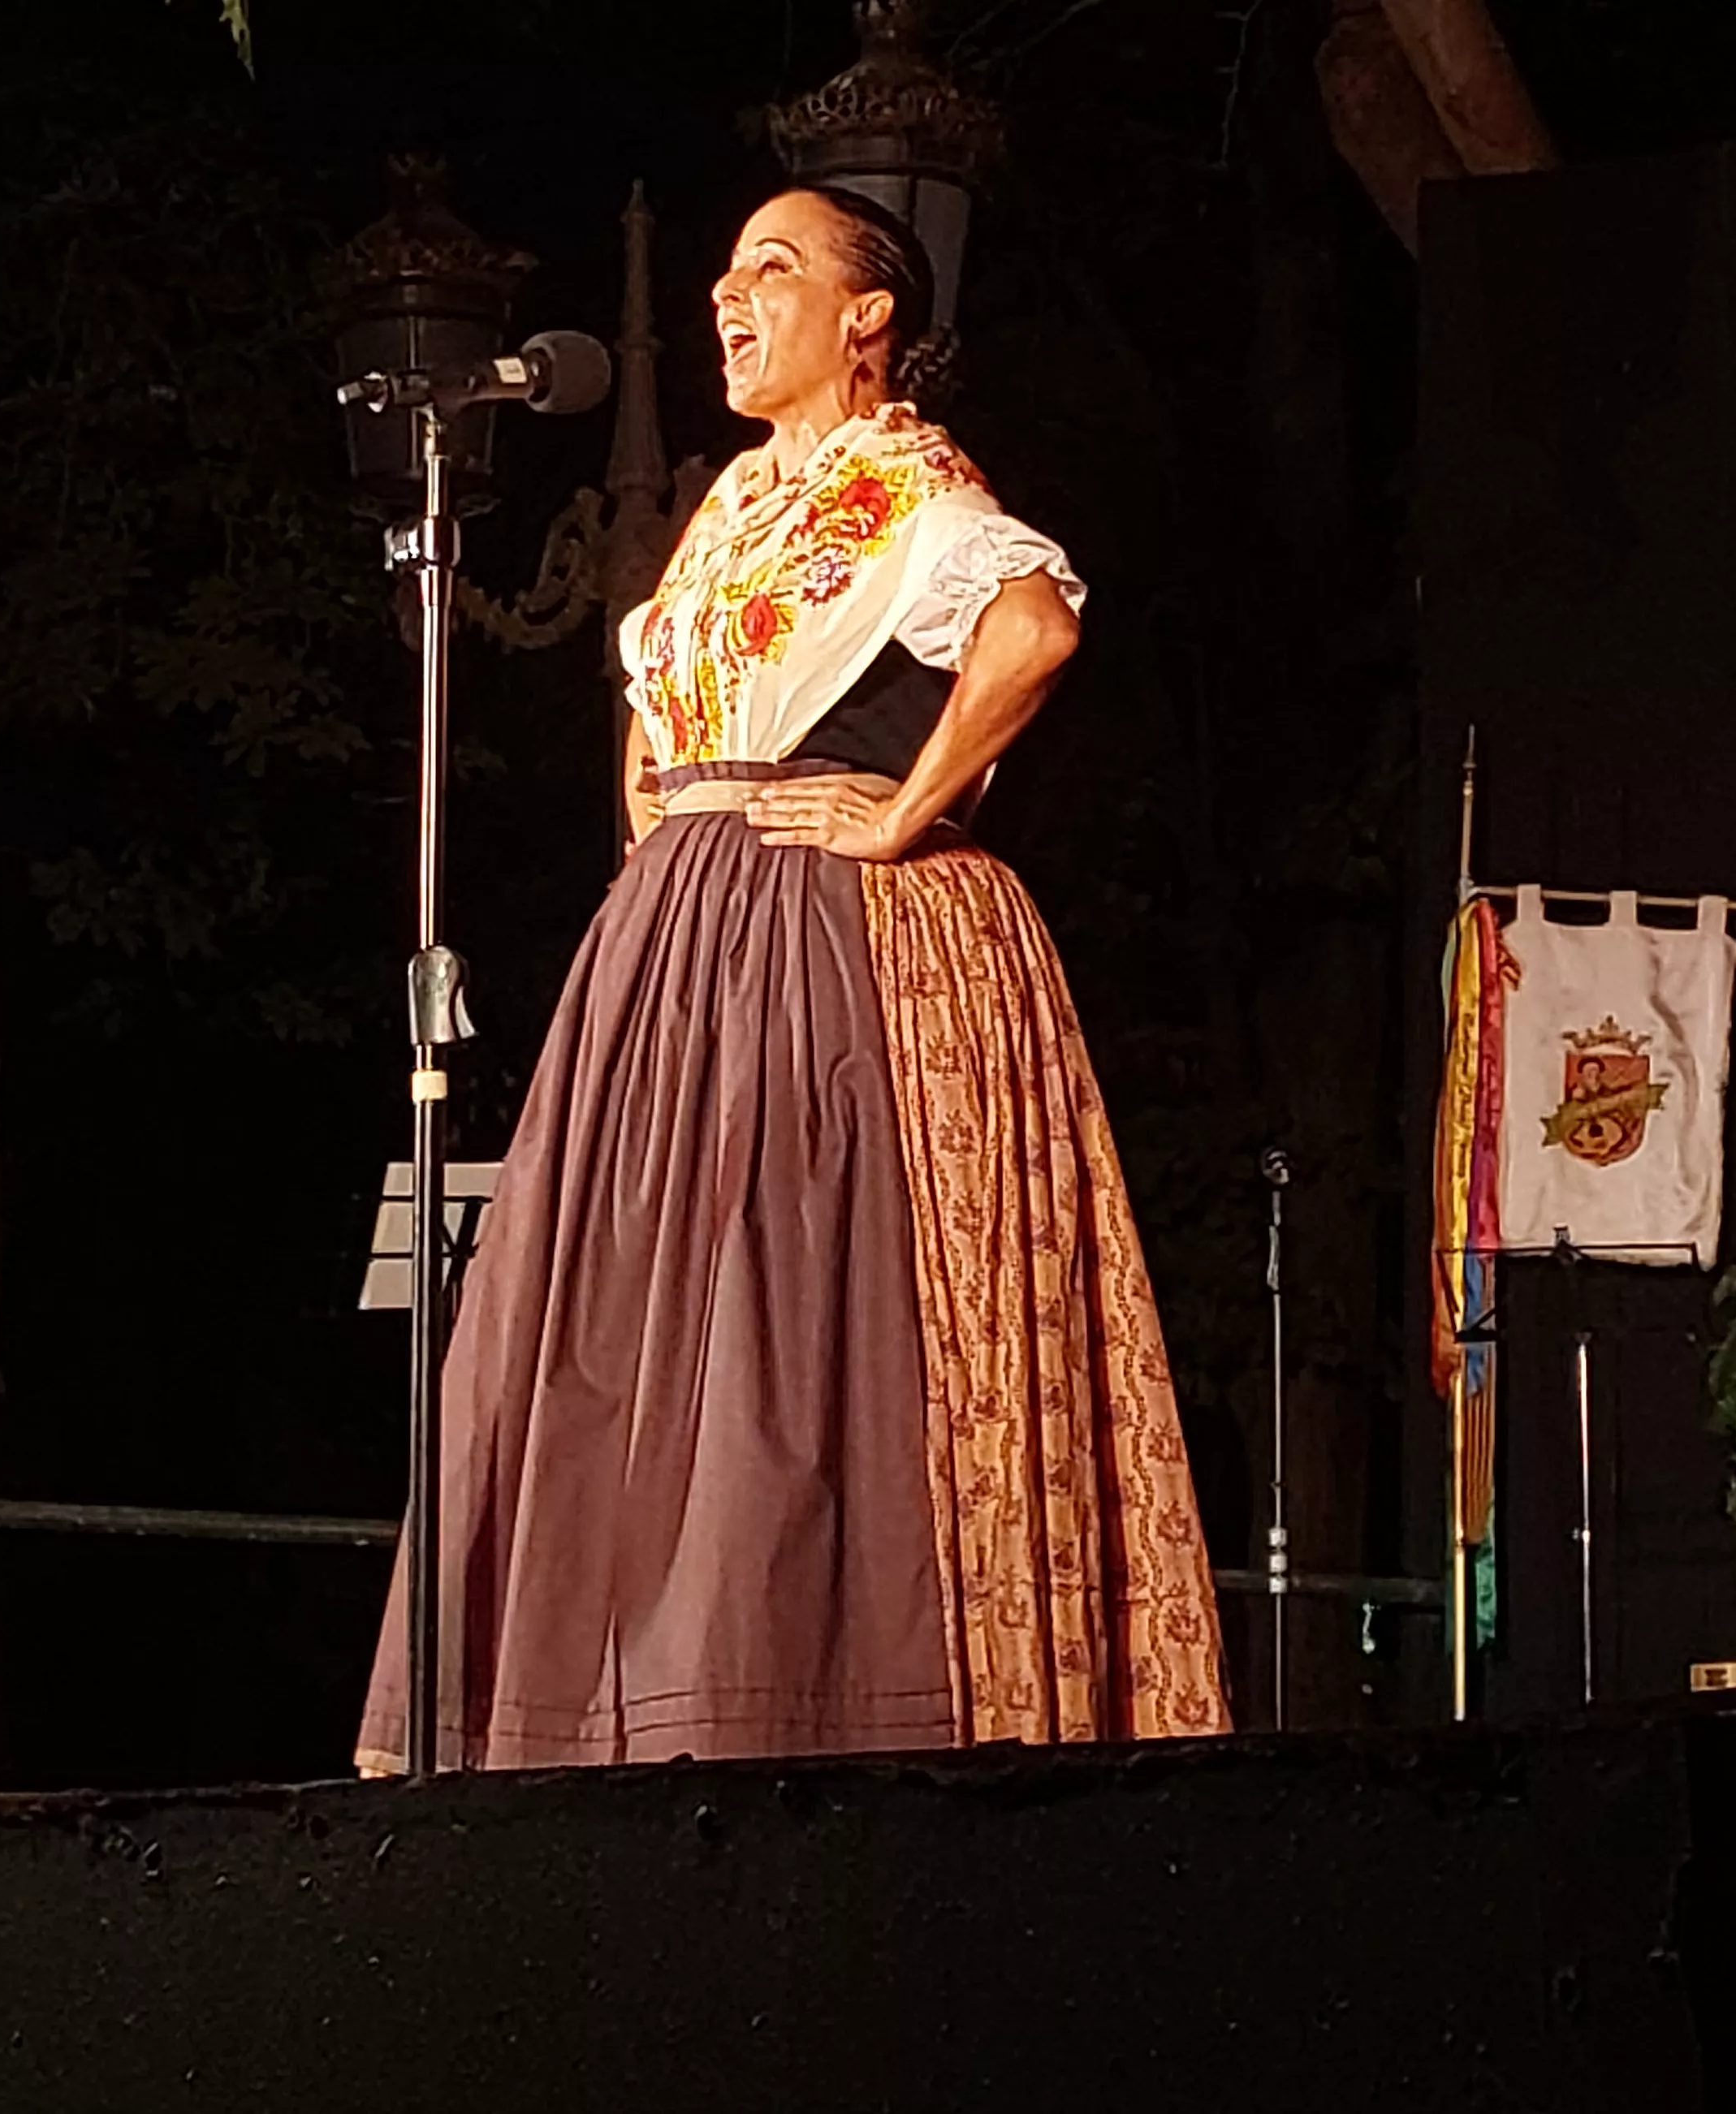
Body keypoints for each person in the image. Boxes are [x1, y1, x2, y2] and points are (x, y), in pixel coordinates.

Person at [358, 183, 1226, 1771]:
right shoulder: (737, 506)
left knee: (784, 1315)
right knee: (638, 1330)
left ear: (866, 315)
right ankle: (604, 1708)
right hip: (685, 945)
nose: (727, 295)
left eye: (775, 268)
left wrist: (901, 813)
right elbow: (651, 720)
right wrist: (660, 868)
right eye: (724, 271)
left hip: (824, 949)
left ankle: (793, 1696)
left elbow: (1027, 632)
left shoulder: (910, 484)